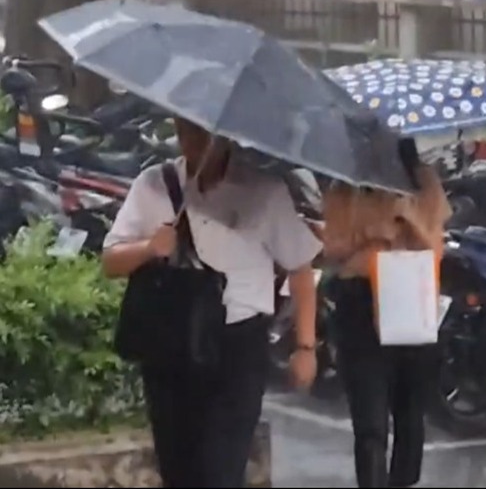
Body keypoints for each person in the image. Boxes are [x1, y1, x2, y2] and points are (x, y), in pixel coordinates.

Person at [101, 117, 323, 488]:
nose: (194, 141)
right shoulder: (156, 185)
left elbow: (300, 268)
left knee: (220, 471)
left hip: (237, 347)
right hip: (170, 344)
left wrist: (305, 347)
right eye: (186, 130)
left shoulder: (262, 191)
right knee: (178, 469)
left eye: (203, 133)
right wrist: (149, 248)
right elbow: (110, 261)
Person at [320, 160, 451, 488]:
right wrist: (371, 233)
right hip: (360, 302)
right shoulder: (345, 187)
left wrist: (408, 221)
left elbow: (436, 248)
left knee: (410, 415)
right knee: (370, 423)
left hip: (409, 295)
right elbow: (329, 249)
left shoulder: (422, 180)